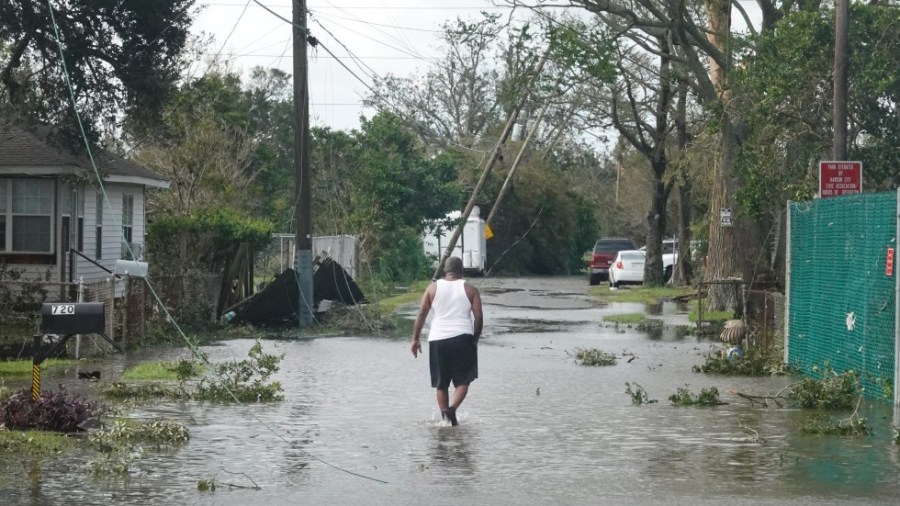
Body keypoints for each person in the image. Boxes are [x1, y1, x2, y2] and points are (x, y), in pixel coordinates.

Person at [411, 256, 483, 426]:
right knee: (463, 380)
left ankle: (445, 419)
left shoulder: (432, 288)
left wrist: (415, 338)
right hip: (463, 338)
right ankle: (452, 409)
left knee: (441, 383)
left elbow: (422, 313)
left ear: (445, 270)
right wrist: (475, 339)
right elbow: (478, 317)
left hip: (438, 338)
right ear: (462, 271)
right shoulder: (471, 290)